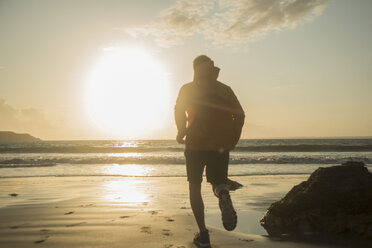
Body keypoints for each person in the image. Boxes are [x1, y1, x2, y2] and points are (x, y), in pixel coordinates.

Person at [174, 55, 245, 247]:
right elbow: (240, 115)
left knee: (194, 187)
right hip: (220, 144)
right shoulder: (225, 89)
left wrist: (181, 130)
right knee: (218, 181)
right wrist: (233, 138)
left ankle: (203, 234)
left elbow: (179, 109)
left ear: (195, 69)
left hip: (195, 143)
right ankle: (223, 193)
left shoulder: (188, 88)